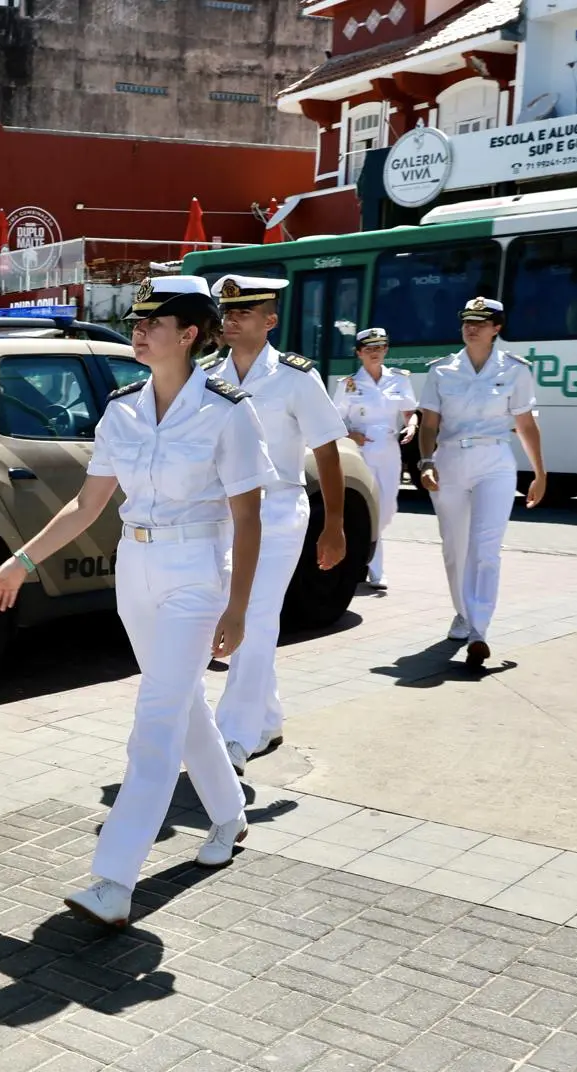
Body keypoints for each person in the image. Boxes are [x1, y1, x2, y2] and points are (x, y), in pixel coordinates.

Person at [0, 276, 272, 926]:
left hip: (198, 570)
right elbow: (88, 505)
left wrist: (239, 609)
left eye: (153, 322)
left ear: (190, 334)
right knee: (181, 704)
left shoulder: (228, 411)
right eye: (137, 321)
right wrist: (23, 557)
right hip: (135, 567)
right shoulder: (122, 408)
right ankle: (229, 815)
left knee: (154, 723)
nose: (137, 331)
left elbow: (249, 517)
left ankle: (113, 880)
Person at [205, 275, 348, 775]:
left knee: (254, 616)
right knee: (238, 613)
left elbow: (327, 450)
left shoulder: (295, 377)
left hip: (278, 510)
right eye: (227, 310)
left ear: (270, 320)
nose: (231, 318)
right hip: (223, 514)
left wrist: (335, 525)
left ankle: (235, 737)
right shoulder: (207, 375)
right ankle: (265, 717)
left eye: (244, 311)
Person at [416, 297, 547, 666]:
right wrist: (426, 462)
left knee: (486, 547)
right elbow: (429, 424)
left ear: (497, 329)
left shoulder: (517, 370)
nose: (471, 327)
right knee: (454, 547)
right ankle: (463, 612)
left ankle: (479, 630)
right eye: (467, 322)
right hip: (450, 461)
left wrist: (539, 472)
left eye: (481, 322)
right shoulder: (442, 370)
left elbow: (525, 425)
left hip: (495, 461)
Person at [333, 328, 415, 590]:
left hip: (390, 450)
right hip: (362, 452)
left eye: (379, 347)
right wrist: (351, 433)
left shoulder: (399, 380)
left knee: (388, 509)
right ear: (359, 353)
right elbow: (334, 420)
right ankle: (374, 569)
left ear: (386, 350)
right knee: (369, 508)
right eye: (369, 349)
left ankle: (362, 553)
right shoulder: (347, 384)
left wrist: (411, 425)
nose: (375, 353)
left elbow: (409, 411)